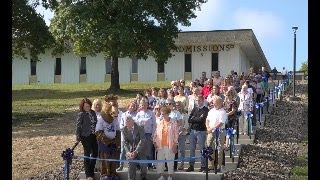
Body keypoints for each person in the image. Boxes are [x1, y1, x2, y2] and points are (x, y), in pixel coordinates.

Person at [153, 107, 179, 180]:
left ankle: (170, 176)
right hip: (160, 145)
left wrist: (175, 144)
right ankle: (161, 176)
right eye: (161, 114)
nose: (162, 115)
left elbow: (176, 134)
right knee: (160, 161)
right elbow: (156, 133)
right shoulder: (160, 122)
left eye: (164, 114)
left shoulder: (173, 123)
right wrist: (154, 142)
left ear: (168, 114)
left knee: (170, 161)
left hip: (169, 145)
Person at [76, 98, 98, 180]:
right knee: (87, 154)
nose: (87, 108)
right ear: (83, 107)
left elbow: (96, 122)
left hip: (93, 135)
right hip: (85, 136)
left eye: (88, 106)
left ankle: (91, 171)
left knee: (95, 153)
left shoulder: (93, 112)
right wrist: (78, 137)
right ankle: (88, 175)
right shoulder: (81, 114)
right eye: (86, 106)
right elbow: (78, 126)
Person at [186, 95, 209, 172]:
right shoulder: (195, 108)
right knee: (192, 149)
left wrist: (195, 118)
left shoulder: (206, 110)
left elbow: (202, 120)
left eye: (199, 100)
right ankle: (191, 165)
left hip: (201, 131)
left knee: (202, 149)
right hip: (193, 131)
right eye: (196, 100)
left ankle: (203, 166)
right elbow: (189, 119)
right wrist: (198, 118)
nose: (198, 102)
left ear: (202, 101)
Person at [205, 96, 227, 173]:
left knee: (219, 149)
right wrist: (208, 127)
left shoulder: (223, 112)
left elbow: (220, 123)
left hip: (219, 132)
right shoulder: (211, 111)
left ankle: (218, 166)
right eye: (213, 102)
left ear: (220, 103)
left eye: (216, 102)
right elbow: (207, 120)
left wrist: (211, 128)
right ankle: (210, 166)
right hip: (210, 132)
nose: (214, 103)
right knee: (209, 148)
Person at [122, 115, 147, 180]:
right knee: (131, 163)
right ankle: (131, 178)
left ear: (132, 122)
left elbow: (142, 141)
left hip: (141, 150)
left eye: (128, 122)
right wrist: (128, 152)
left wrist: (136, 151)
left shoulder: (140, 128)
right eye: (126, 122)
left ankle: (143, 177)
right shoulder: (124, 129)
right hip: (130, 150)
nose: (126, 124)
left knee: (144, 162)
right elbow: (125, 142)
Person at [136, 99, 157, 170]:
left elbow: (154, 124)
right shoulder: (138, 114)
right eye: (142, 105)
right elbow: (135, 124)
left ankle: (150, 165)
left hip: (148, 134)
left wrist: (153, 134)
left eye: (145, 105)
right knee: (140, 149)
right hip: (140, 135)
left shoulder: (151, 113)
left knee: (149, 150)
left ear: (147, 105)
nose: (143, 106)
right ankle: (139, 165)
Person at [117, 101, 138, 171]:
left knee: (131, 150)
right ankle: (121, 165)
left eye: (133, 106)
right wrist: (125, 129)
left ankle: (131, 165)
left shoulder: (136, 115)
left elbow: (136, 125)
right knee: (123, 151)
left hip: (132, 136)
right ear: (128, 106)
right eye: (131, 106)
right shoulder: (124, 114)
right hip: (124, 135)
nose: (132, 107)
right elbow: (121, 125)